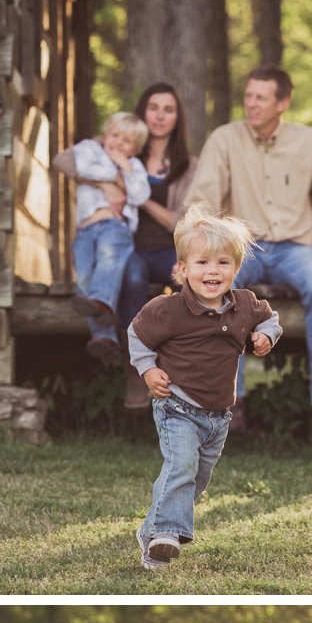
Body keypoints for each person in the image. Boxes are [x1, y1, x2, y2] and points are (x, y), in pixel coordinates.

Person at [186, 64, 312, 435]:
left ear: (283, 102)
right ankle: (231, 403)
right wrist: (194, 250)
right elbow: (202, 200)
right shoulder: (224, 139)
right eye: (248, 96)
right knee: (218, 287)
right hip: (244, 247)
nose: (251, 104)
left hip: (297, 247)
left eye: (260, 97)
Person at [127, 205, 281, 571]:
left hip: (218, 418)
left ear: (236, 269)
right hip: (177, 407)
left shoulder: (244, 305)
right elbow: (136, 334)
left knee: (195, 479)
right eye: (202, 263)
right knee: (181, 466)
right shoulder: (168, 309)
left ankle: (151, 528)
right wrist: (148, 370)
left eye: (223, 263)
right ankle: (162, 541)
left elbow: (271, 318)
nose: (212, 271)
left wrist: (266, 336)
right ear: (181, 269)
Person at [118, 83, 199, 409]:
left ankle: (189, 376)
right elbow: (68, 161)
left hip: (169, 250)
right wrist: (104, 185)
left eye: (168, 109)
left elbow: (181, 219)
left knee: (190, 287)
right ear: (143, 111)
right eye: (153, 108)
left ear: (177, 118)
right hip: (130, 248)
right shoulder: (122, 151)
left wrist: (142, 198)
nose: (160, 116)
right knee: (133, 278)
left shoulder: (187, 165)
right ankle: (137, 373)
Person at [52, 112, 150, 361]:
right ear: (104, 135)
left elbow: (140, 196)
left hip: (113, 226)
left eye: (127, 141)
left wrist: (125, 168)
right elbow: (83, 168)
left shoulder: (134, 166)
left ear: (135, 149)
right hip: (85, 230)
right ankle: (104, 336)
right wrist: (115, 178)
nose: (118, 143)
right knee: (84, 279)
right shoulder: (90, 149)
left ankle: (104, 302)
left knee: (107, 262)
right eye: (115, 135)